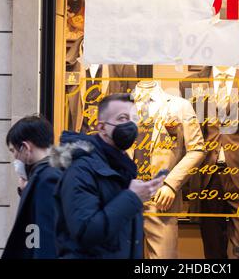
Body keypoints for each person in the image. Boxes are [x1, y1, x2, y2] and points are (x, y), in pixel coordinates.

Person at [52, 93, 165, 258]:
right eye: (122, 118)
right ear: (102, 128)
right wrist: (132, 197)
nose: (131, 125)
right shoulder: (81, 169)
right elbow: (86, 231)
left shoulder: (121, 166)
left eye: (134, 118)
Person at [2, 115, 60, 259]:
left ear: (26, 147)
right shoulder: (46, 175)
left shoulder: (46, 179)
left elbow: (43, 236)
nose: (15, 157)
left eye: (13, 151)